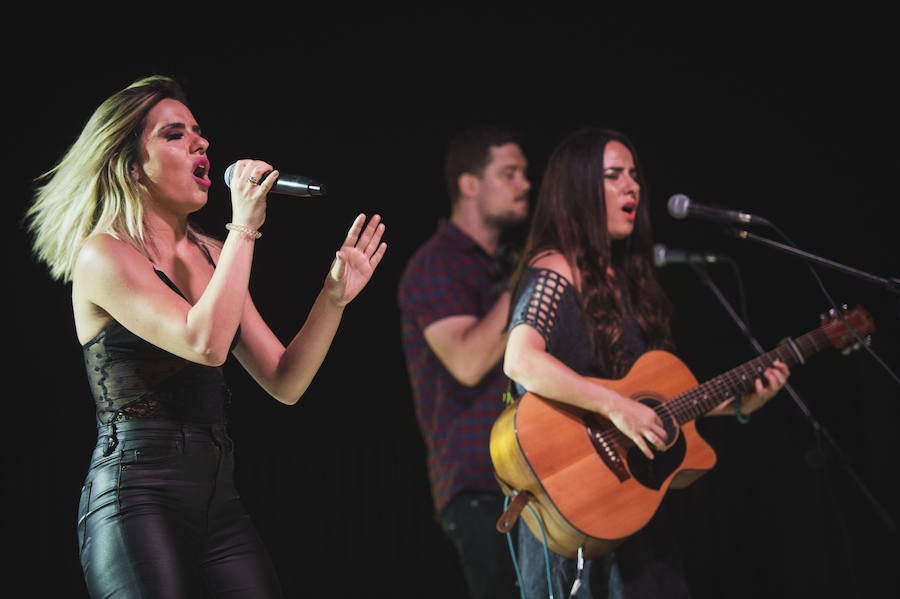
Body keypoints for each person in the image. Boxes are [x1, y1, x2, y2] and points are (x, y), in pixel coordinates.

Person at [23, 74, 387, 598]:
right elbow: (206, 344)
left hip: (219, 505)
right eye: (174, 134)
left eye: (198, 131)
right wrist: (246, 229)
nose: (201, 142)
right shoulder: (103, 255)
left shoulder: (215, 253)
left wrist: (332, 299)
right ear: (132, 166)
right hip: (136, 502)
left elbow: (284, 381)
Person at [500, 127, 790, 598]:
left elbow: (655, 407)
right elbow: (520, 359)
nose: (632, 187)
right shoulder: (556, 267)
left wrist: (741, 404)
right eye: (614, 176)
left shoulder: (627, 279)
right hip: (574, 502)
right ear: (577, 192)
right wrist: (615, 408)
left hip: (631, 508)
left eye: (634, 175)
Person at [397, 125, 531, 599]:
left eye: (524, 173)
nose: (525, 184)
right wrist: (527, 277)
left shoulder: (505, 264)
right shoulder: (436, 265)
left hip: (540, 472)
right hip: (481, 483)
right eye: (509, 173)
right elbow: (469, 362)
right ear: (470, 184)